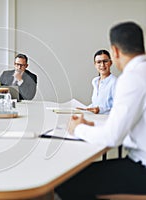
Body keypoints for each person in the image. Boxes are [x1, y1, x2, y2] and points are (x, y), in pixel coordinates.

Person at [55, 21, 146, 199]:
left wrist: (78, 129)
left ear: (115, 52)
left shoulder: (132, 78)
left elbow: (113, 137)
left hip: (142, 166)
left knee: (66, 181)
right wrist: (94, 128)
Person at [81, 50, 117, 114]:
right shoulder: (95, 81)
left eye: (105, 61)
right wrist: (84, 109)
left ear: (110, 63)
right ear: (95, 64)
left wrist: (100, 110)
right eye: (99, 62)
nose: (102, 65)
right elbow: (96, 104)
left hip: (108, 120)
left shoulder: (114, 82)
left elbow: (118, 106)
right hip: (96, 119)